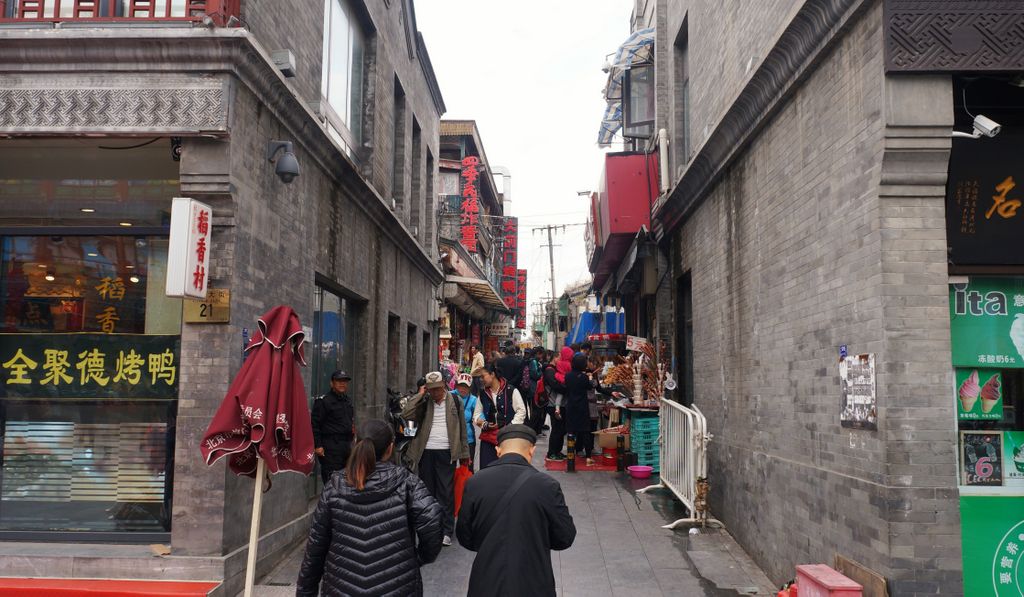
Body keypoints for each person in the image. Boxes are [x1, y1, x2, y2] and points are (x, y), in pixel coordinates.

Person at [296, 419, 443, 597]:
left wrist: (305, 591)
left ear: (355, 443)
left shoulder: (334, 487)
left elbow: (315, 550)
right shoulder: (407, 483)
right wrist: (419, 558)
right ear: (390, 448)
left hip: (341, 587)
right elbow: (433, 522)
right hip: (397, 586)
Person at [456, 424, 576, 597]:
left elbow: (465, 536)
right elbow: (565, 537)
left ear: (498, 450)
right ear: (532, 450)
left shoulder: (476, 482)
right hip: (534, 583)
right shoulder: (547, 486)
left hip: (486, 582)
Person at [401, 371, 470, 546]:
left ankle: (446, 530)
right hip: (426, 451)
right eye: (431, 390)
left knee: (445, 493)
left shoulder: (455, 401)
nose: (435, 393)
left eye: (438, 389)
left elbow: (462, 428)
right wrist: (421, 394)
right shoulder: (425, 401)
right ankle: (430, 528)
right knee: (427, 492)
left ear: (445, 385)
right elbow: (407, 414)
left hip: (446, 451)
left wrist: (464, 455)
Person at [472, 363, 527, 469]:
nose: (481, 380)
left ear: (492, 374)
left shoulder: (511, 390)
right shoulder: (483, 393)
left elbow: (521, 411)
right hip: (488, 438)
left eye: (483, 376)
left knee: (506, 470)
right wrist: (485, 424)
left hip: (507, 439)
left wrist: (510, 426)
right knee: (487, 469)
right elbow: (477, 414)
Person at [311, 370, 355, 484]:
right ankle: (329, 501)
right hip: (330, 447)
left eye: (345, 381)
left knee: (346, 480)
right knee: (332, 481)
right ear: (332, 383)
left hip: (346, 446)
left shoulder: (347, 401)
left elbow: (350, 421)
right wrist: (318, 445)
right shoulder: (324, 401)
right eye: (339, 381)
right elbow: (315, 425)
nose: (342, 384)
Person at [565, 353, 596, 461]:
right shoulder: (584, 377)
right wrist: (591, 378)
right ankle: (588, 455)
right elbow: (590, 386)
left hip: (571, 406)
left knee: (571, 431)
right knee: (585, 431)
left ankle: (570, 453)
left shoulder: (568, 376)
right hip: (582, 406)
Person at [542, 350, 567, 460]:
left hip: (558, 403)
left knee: (561, 429)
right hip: (552, 404)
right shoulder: (549, 370)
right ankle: (551, 452)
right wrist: (566, 388)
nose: (561, 361)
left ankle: (557, 451)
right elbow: (555, 385)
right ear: (555, 358)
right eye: (560, 358)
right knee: (556, 429)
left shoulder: (555, 369)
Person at [453, 373, 479, 469]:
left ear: (470, 388)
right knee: (450, 467)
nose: (463, 389)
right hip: (452, 437)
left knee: (467, 467)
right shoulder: (450, 396)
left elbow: (479, 414)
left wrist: (481, 421)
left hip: (468, 438)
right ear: (457, 386)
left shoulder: (473, 400)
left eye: (466, 387)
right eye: (461, 386)